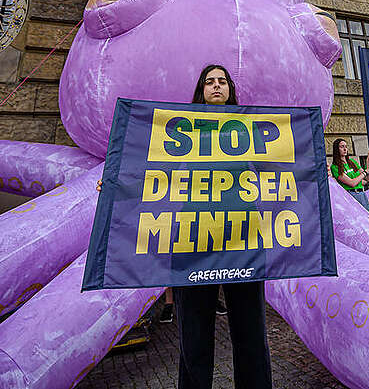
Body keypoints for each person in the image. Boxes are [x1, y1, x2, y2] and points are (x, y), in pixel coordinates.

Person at [97, 65, 271, 389]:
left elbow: (281, 172)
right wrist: (116, 186)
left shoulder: (251, 128)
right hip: (193, 240)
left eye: (222, 81)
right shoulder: (183, 131)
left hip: (244, 239)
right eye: (210, 82)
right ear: (201, 90)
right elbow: (155, 174)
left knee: (251, 334)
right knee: (193, 338)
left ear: (230, 89)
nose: (216, 86)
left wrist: (313, 175)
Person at [330, 138, 369, 212]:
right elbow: (352, 183)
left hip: (362, 194)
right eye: (342, 147)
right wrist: (365, 172)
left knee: (367, 219)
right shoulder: (335, 167)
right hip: (350, 195)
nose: (345, 149)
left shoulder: (352, 162)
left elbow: (367, 179)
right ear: (336, 149)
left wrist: (368, 161)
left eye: (346, 146)